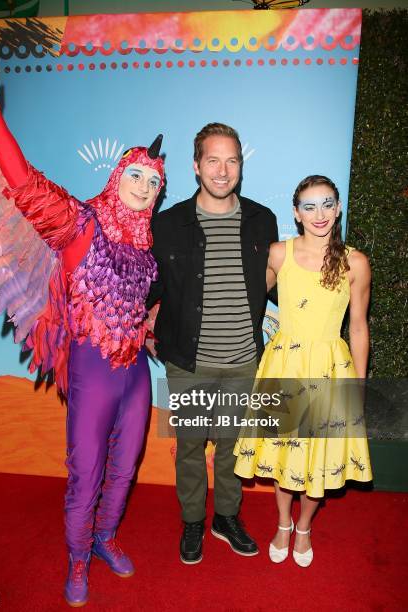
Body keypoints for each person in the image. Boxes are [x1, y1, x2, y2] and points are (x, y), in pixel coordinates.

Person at [0, 4, 164, 606]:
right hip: (90, 368)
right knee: (86, 472)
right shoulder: (78, 225)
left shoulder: (146, 249)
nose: (145, 187)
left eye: (155, 183)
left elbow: (139, 303)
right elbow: (26, 184)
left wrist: (149, 329)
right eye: (137, 175)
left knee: (126, 468)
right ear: (119, 177)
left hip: (135, 371)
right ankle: (79, 559)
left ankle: (108, 537)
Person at [147, 123, 279, 564]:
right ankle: (192, 522)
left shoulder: (263, 220)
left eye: (232, 160)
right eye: (213, 160)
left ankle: (225, 517)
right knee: (188, 447)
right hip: (190, 361)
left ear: (241, 164)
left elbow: (281, 281)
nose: (223, 171)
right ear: (196, 165)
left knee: (230, 445)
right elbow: (149, 286)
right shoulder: (167, 224)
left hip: (244, 360)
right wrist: (142, 322)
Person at [234, 175, 373, 567]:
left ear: (339, 207)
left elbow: (359, 326)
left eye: (327, 204)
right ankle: (282, 522)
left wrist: (358, 385)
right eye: (309, 206)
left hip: (331, 368)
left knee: (319, 458)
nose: (319, 214)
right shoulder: (278, 254)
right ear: (296, 213)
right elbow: (250, 302)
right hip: (285, 364)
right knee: (284, 454)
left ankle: (305, 525)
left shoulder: (355, 262)